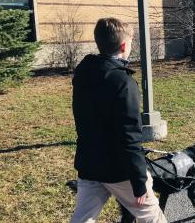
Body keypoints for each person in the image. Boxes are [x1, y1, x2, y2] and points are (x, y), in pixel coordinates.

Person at [70, 18, 166, 223]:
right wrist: (140, 181)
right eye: (131, 41)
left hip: (89, 165)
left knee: (82, 219)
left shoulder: (83, 73)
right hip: (119, 171)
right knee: (153, 217)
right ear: (124, 46)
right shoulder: (123, 83)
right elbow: (129, 137)